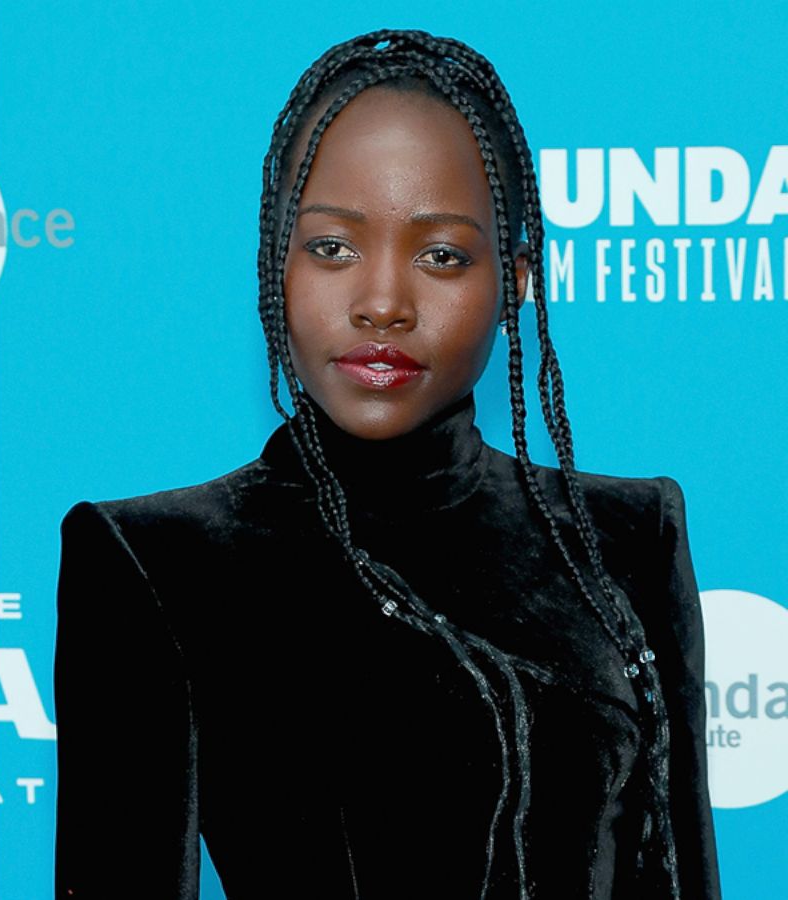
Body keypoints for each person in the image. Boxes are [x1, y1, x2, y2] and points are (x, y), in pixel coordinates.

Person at [53, 29, 720, 900]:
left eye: (442, 255)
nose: (382, 303)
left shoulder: (627, 537)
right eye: (333, 247)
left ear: (515, 278)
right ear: (276, 262)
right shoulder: (155, 561)